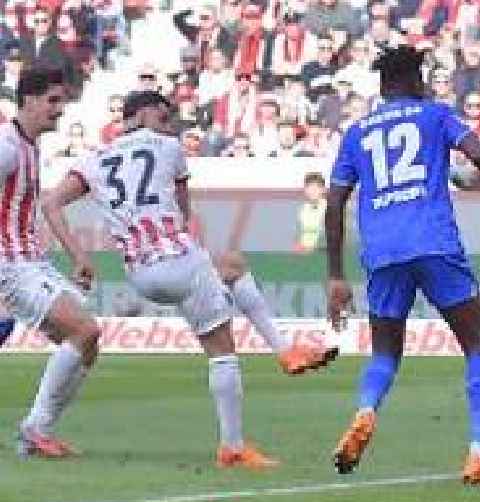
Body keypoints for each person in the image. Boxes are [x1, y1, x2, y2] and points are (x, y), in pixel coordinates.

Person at [40, 91, 334, 469]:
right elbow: (183, 209)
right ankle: (234, 443)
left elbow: (50, 204)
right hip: (179, 260)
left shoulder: (94, 158)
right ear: (142, 114)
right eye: (163, 117)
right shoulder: (169, 147)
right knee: (222, 349)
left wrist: (79, 257)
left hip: (140, 272)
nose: (168, 125)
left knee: (231, 265)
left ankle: (285, 351)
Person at [325, 45, 480, 488]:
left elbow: (334, 202)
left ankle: (366, 410)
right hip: (434, 243)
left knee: (385, 353)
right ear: (414, 79)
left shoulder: (356, 132)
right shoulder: (434, 115)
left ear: (382, 85)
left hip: (382, 251)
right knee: (477, 345)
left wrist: (335, 275)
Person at [0, 66, 101, 459]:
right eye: (52, 101)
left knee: (88, 345)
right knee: (84, 330)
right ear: (28, 99)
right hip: (11, 265)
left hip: (31, 261)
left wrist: (76, 256)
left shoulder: (29, 145)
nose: (59, 110)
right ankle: (35, 429)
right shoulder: (7, 147)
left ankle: (37, 433)